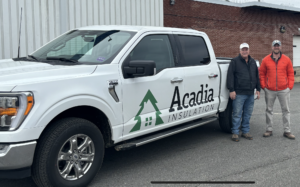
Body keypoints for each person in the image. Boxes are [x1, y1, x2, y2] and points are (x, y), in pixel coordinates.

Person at [259, 40, 295, 139]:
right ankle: (269, 129)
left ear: (280, 47)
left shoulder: (286, 59)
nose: (276, 47)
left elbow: (291, 74)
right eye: (274, 46)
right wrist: (264, 86)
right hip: (269, 90)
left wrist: (289, 87)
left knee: (286, 110)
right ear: (272, 47)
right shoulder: (266, 60)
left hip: (284, 89)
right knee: (269, 110)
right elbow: (261, 74)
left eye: (278, 46)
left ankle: (287, 131)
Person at [227, 43, 261, 142]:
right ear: (240, 51)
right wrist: (231, 90)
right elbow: (230, 76)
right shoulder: (234, 62)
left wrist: (258, 89)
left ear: (249, 50)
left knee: (247, 114)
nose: (245, 51)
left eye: (246, 49)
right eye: (243, 49)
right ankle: (235, 133)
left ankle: (245, 131)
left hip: (250, 93)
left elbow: (256, 77)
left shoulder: (253, 62)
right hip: (239, 93)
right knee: (237, 113)